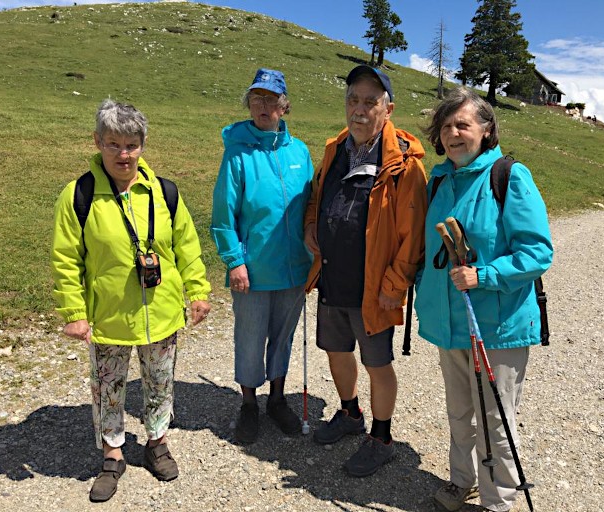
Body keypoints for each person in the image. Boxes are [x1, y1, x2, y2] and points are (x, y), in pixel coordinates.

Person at [51, 99, 212, 503]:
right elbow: (66, 259)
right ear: (97, 142)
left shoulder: (165, 192)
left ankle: (156, 442)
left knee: (160, 381)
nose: (123, 154)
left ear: (143, 144)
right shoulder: (79, 196)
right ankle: (112, 454)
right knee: (108, 386)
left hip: (160, 313)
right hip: (108, 317)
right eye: (113, 144)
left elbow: (186, 246)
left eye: (131, 145)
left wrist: (198, 291)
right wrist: (74, 313)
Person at [415, 87, 553, 511]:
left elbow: (538, 252)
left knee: (495, 418)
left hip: (497, 325)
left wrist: (485, 275)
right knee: (459, 412)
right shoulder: (438, 179)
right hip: (449, 323)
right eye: (447, 125)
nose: (454, 133)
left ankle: (499, 500)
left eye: (463, 124)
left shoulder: (509, 176)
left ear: (486, 129)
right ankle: (462, 481)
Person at [304, 65, 427, 477]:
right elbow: (316, 195)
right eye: (352, 100)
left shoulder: (404, 162)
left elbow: (413, 236)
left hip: (375, 287)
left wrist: (395, 285)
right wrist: (310, 228)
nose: (359, 110)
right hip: (333, 277)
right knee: (336, 352)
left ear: (387, 109)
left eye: (370, 102)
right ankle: (350, 413)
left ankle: (382, 437)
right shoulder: (335, 148)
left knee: (377, 363)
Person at [211, 68, 314, 444]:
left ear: (284, 107)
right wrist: (235, 261)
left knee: (283, 337)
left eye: (271, 100)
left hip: (295, 270)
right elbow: (223, 216)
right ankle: (249, 404)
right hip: (252, 271)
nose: (263, 106)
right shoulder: (237, 155)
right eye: (257, 99)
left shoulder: (300, 152)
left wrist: (314, 249)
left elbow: (312, 208)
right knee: (251, 338)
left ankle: (277, 399)